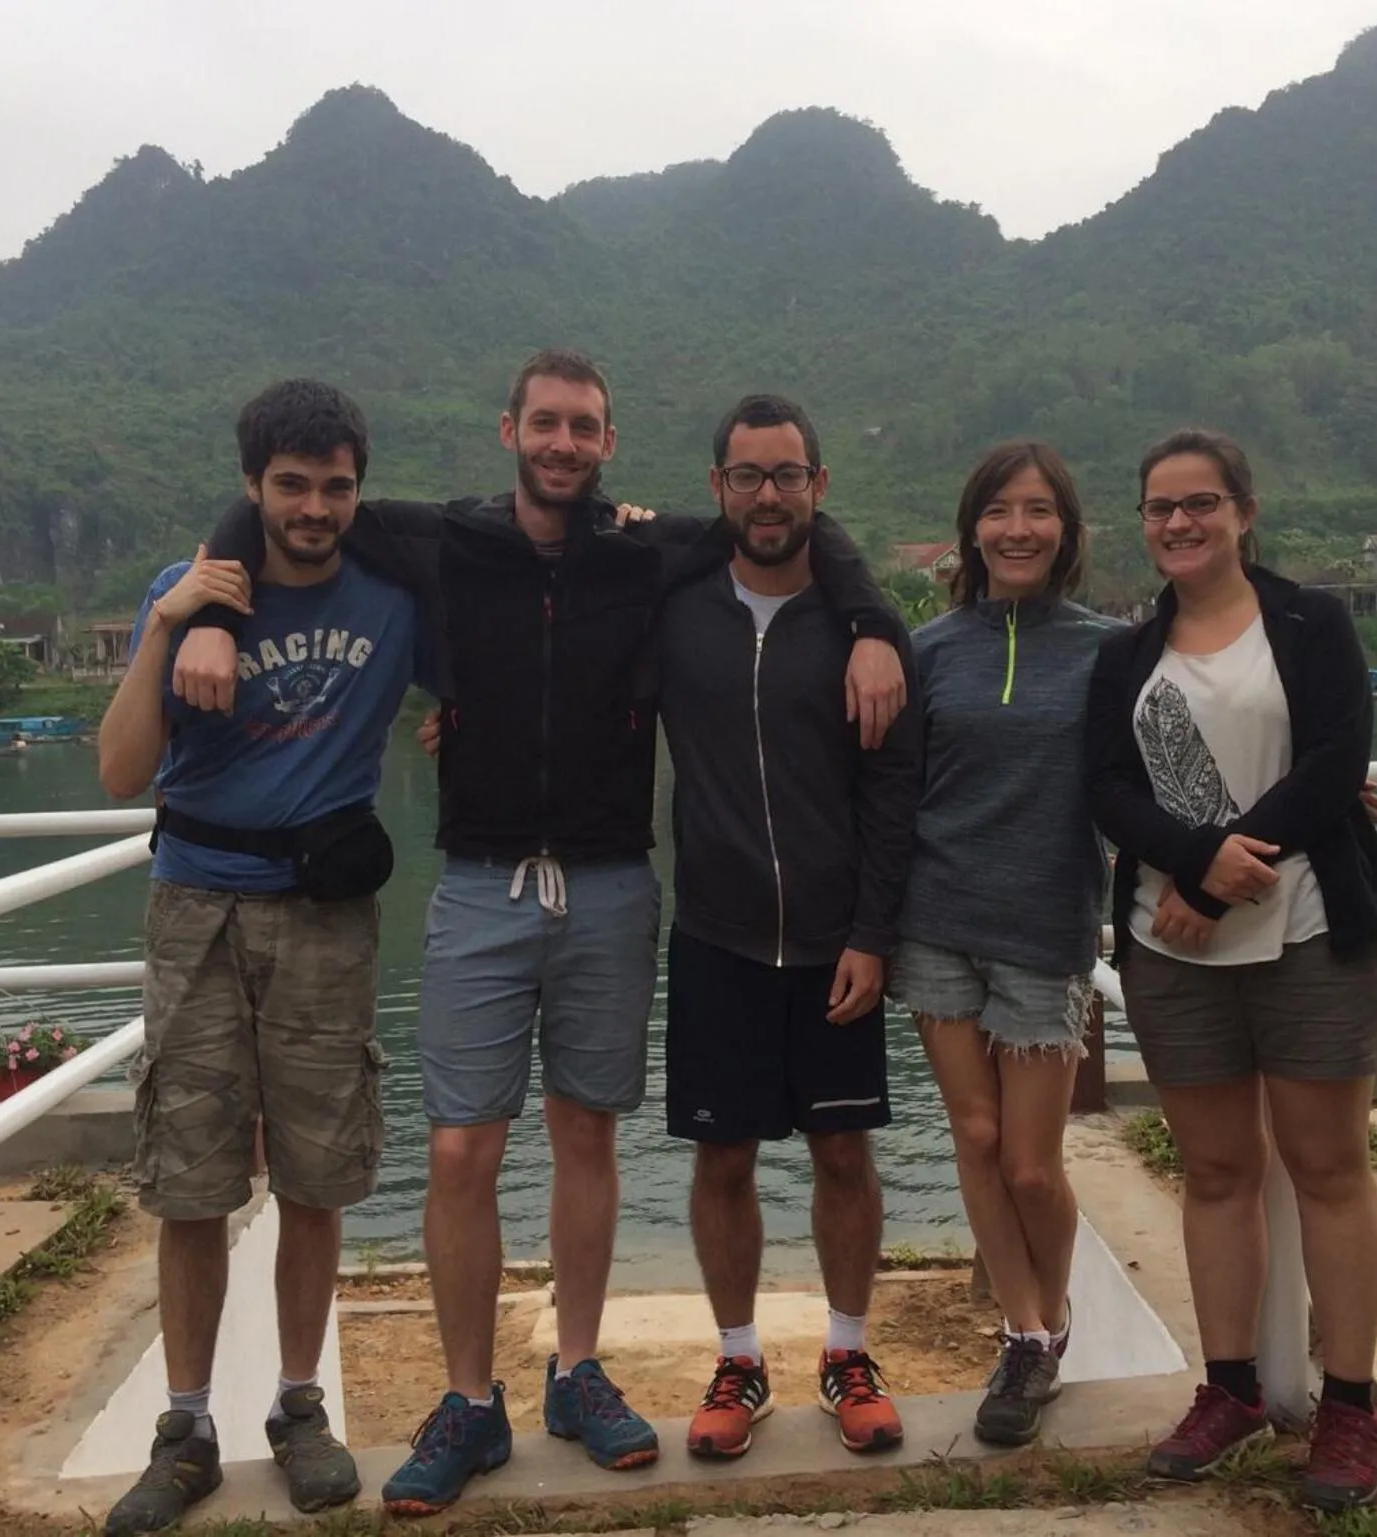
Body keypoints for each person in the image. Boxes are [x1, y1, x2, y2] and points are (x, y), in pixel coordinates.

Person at [168, 350, 908, 1515]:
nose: (564, 443)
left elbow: (799, 521)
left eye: (586, 427)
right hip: (477, 885)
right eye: (546, 423)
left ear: (610, 444)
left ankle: (576, 1370)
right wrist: (205, 612)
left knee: (587, 1138)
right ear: (510, 427)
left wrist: (870, 622)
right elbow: (279, 495)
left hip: (613, 885)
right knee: (461, 1149)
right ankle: (469, 1399)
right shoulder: (437, 541)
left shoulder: (650, 548)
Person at [94, 379, 417, 1534]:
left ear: (355, 491)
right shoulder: (188, 597)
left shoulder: (390, 601)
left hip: (325, 915)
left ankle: (298, 1405)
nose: (315, 507)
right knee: (191, 1177)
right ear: (253, 487)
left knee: (319, 1176)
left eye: (335, 486)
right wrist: (174, 627)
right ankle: (185, 1426)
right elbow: (122, 773)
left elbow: (484, 659)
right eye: (292, 485)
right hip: (196, 906)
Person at [1086, 429, 1377, 1513]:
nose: (1178, 523)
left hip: (1312, 929)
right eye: (1159, 507)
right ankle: (1228, 1387)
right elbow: (1107, 790)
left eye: (1199, 503)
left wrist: (1225, 871)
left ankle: (1351, 1406)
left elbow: (1336, 762)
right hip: (1173, 945)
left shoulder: (1312, 622)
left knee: (1329, 1166)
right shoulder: (1128, 655)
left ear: (1242, 510)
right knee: (1216, 1170)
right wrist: (1190, 862)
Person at [662, 395, 921, 1462]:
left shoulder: (866, 631)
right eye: (746, 476)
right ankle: (738, 1357)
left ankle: (848, 1352)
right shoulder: (675, 607)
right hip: (717, 935)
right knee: (722, 1159)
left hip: (833, 943)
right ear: (717, 487)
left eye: (786, 475)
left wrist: (872, 931)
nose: (767, 495)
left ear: (820, 486)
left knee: (843, 1149)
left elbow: (893, 793)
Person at [885, 441, 1123, 1447]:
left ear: (1064, 530)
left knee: (1032, 1163)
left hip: (1045, 934)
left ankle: (1053, 1318)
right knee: (974, 1140)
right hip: (937, 926)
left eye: (1037, 511)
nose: (1017, 528)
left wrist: (1325, 801)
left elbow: (1183, 752)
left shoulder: (1114, 648)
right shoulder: (931, 648)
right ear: (971, 527)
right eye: (999, 510)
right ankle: (1023, 1337)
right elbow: (889, 792)